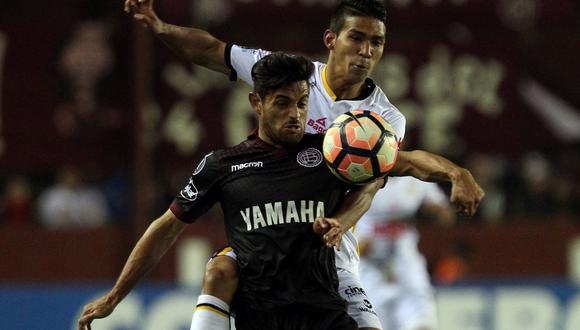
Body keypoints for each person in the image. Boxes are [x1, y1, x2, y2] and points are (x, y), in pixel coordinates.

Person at [123, 1, 485, 329]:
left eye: (376, 42)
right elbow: (212, 51)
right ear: (331, 38)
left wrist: (455, 173)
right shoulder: (292, 77)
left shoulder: (383, 117)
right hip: (267, 233)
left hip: (327, 250)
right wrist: (160, 27)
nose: (365, 51)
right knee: (220, 269)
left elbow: (371, 183)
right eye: (356, 37)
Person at [78, 52, 384, 330]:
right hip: (260, 319)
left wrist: (344, 218)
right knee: (220, 269)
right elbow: (164, 229)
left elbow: (374, 179)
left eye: (302, 102)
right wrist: (114, 297)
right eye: (282, 102)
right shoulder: (222, 165)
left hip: (324, 315)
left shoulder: (330, 152)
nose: (295, 114)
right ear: (257, 103)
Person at [355, 176, 455, 330]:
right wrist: (358, 246)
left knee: (422, 321)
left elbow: (446, 216)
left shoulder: (416, 176)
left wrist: (432, 211)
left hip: (407, 264)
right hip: (368, 269)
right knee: (373, 323)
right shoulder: (358, 176)